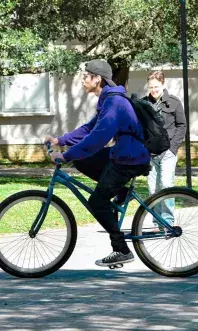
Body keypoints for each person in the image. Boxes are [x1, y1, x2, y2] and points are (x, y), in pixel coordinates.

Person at [44, 59, 151, 267]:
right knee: (82, 161)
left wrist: (65, 156)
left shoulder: (114, 102)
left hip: (129, 158)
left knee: (96, 202)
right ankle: (118, 191)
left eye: (86, 76)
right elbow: (88, 129)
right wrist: (60, 141)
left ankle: (121, 250)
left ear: (97, 79)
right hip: (123, 153)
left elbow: (98, 138)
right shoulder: (107, 99)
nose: (83, 80)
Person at [142, 71, 186, 228]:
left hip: (167, 152)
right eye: (151, 87)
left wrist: (173, 147)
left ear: (163, 85)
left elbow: (182, 126)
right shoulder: (144, 104)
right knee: (153, 189)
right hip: (150, 153)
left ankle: (167, 222)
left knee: (166, 185)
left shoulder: (173, 102)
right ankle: (156, 221)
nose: (153, 90)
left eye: (156, 87)